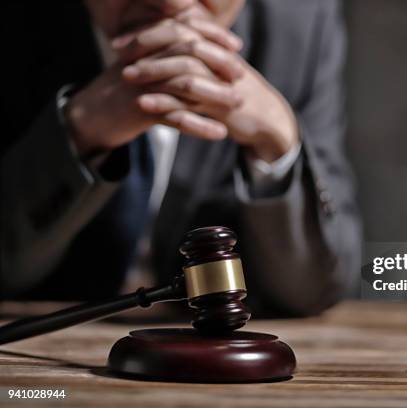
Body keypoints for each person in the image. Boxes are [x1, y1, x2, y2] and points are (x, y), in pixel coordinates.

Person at [0, 0, 361, 317]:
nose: (170, 4)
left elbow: (316, 287)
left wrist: (278, 140)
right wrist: (79, 130)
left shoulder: (298, 20)